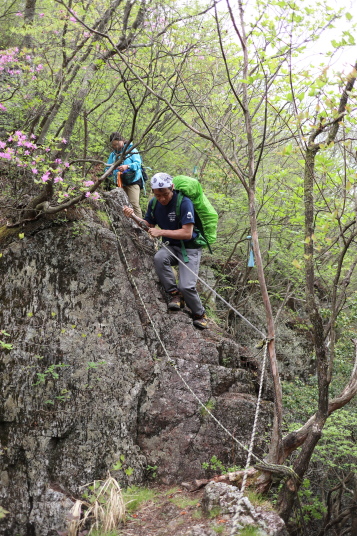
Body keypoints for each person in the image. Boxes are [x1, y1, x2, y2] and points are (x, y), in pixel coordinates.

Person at [123, 172, 208, 329]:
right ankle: (175, 296)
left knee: (187, 286)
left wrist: (161, 232)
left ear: (172, 188)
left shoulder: (184, 202)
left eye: (165, 194)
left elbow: (187, 233)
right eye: (157, 195)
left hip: (190, 248)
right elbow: (148, 225)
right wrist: (133, 216)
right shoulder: (154, 203)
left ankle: (200, 314)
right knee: (159, 258)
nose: (162, 198)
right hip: (172, 246)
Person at [105, 132, 143, 217]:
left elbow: (138, 164)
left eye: (117, 144)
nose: (116, 147)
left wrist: (128, 166)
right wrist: (110, 171)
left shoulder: (132, 150)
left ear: (122, 140)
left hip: (133, 180)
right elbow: (107, 168)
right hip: (120, 182)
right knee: (123, 205)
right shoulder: (113, 154)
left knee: (134, 204)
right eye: (113, 145)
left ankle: (141, 226)